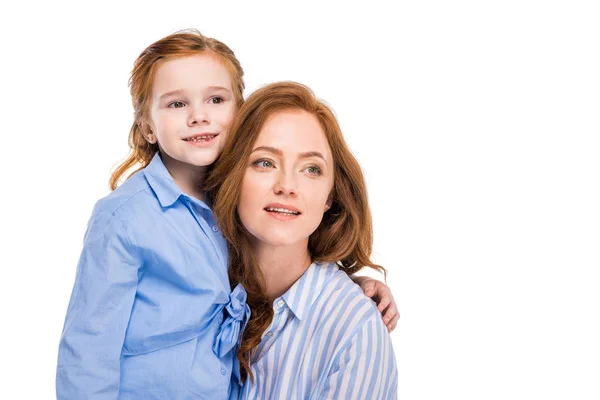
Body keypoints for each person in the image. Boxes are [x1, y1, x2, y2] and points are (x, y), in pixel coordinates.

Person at [56, 30, 398, 399]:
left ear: (239, 114)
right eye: (176, 104)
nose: (199, 117)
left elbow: (284, 265)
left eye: (216, 99)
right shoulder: (128, 217)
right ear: (147, 127)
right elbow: (87, 352)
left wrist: (352, 284)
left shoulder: (227, 206)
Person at [208, 81, 398, 399]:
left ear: (330, 196)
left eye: (311, 169)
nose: (287, 186)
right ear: (232, 176)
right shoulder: (196, 285)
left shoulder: (355, 331)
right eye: (264, 162)